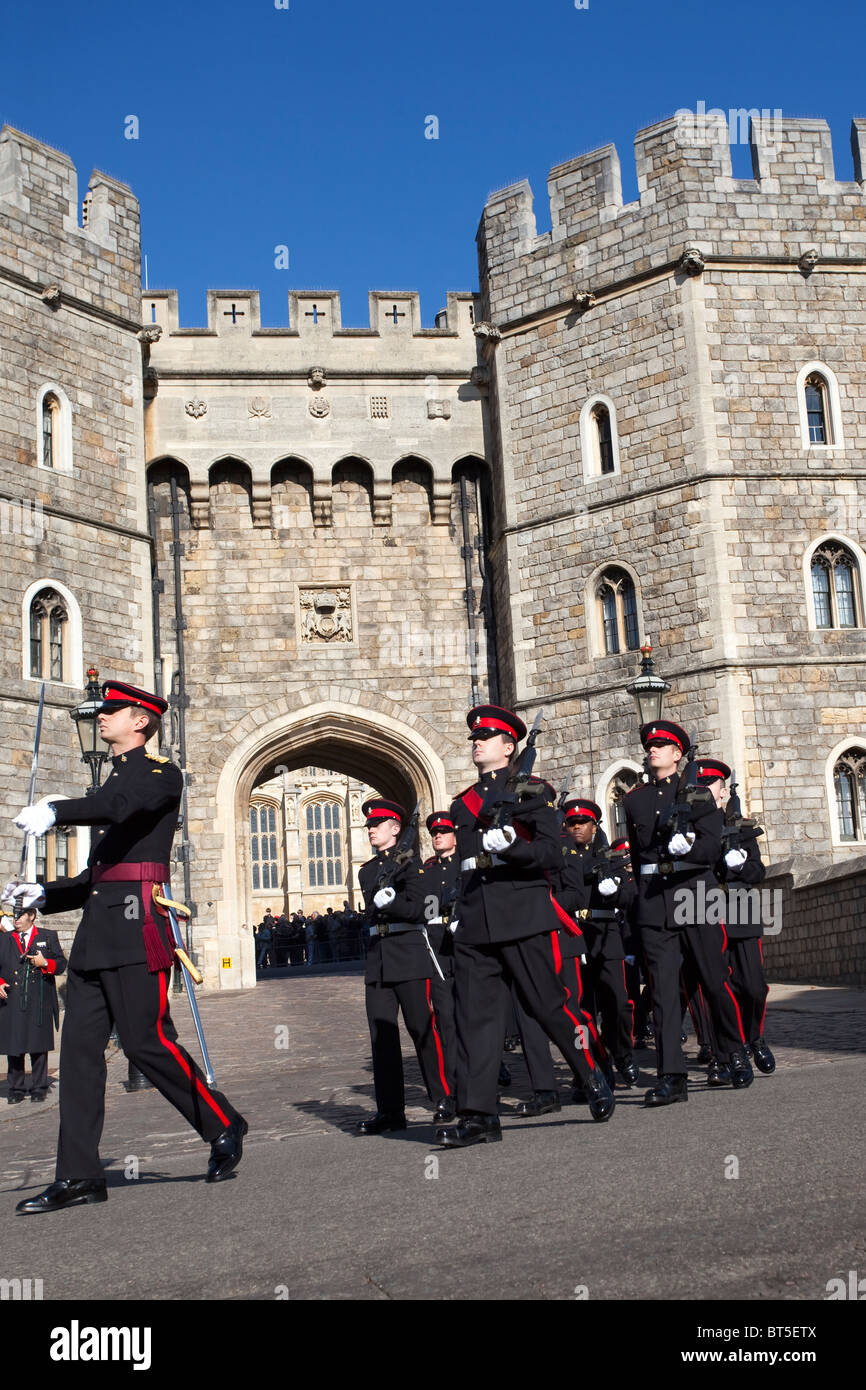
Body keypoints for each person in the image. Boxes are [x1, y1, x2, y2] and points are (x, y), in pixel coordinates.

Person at [6, 679, 247, 1213]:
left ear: (141, 720)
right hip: (98, 932)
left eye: (112, 710)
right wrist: (42, 893)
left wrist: (56, 809)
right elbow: (99, 876)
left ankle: (222, 1122)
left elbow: (118, 807)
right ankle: (79, 1176)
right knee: (80, 1058)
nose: (103, 717)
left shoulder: (160, 776)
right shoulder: (111, 782)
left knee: (146, 1043)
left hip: (140, 927)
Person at [435, 704, 614, 1149]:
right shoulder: (463, 805)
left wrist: (512, 846)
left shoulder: (533, 792)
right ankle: (479, 1116)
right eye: (474, 738)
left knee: (548, 1006)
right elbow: (464, 864)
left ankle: (589, 1071)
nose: (476, 743)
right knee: (477, 1019)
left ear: (508, 746)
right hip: (477, 921)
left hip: (523, 915)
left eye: (485, 738)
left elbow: (552, 856)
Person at [624, 720, 753, 1108]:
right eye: (650, 746)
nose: (653, 750)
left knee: (714, 981)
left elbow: (713, 846)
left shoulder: (697, 795)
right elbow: (635, 853)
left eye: (661, 746)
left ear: (678, 754)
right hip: (655, 899)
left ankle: (733, 1051)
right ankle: (671, 1076)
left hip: (696, 892)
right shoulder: (634, 800)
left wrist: (690, 848)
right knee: (663, 991)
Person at [358, 797, 454, 1134]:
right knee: (381, 1037)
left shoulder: (415, 866)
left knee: (422, 1030)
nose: (370, 829)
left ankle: (443, 1097)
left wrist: (395, 901)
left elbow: (422, 911)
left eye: (376, 825)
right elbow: (372, 909)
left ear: (395, 829)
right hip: (379, 957)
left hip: (410, 954)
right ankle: (390, 1111)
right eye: (369, 825)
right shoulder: (367, 870)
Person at [700, 758, 775, 1076]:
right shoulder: (695, 828)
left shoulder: (740, 826)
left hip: (742, 912)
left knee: (754, 987)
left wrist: (740, 864)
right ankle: (729, 1049)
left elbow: (758, 872)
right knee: (720, 988)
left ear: (721, 789)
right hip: (707, 911)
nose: (708, 789)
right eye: (702, 785)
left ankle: (754, 1037)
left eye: (712, 784)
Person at [556, 801, 638, 1089]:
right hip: (573, 936)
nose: (576, 827)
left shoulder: (610, 857)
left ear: (594, 826)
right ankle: (588, 1070)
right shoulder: (560, 858)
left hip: (605, 936)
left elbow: (630, 897)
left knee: (618, 1003)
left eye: (583, 823)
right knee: (580, 1011)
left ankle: (622, 1053)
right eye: (571, 823)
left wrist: (615, 892)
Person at [0, 905, 66, 1103]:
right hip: (11, 998)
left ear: (31, 916)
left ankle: (39, 1086)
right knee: (14, 1044)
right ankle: (16, 1088)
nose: (16, 920)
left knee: (38, 1044)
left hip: (39, 998)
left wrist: (45, 963)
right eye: (14, 916)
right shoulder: (5, 938)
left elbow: (62, 964)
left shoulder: (47, 935)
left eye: (19, 916)